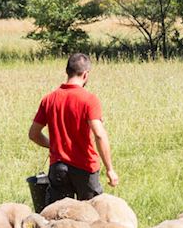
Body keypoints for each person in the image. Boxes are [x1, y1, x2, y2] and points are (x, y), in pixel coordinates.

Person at [29, 52, 119, 201]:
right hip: (85, 167)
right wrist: (110, 169)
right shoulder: (89, 100)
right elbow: (99, 135)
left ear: (67, 71)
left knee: (59, 217)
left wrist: (53, 145)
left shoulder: (49, 99)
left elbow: (33, 134)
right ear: (85, 74)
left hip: (58, 168)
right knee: (91, 216)